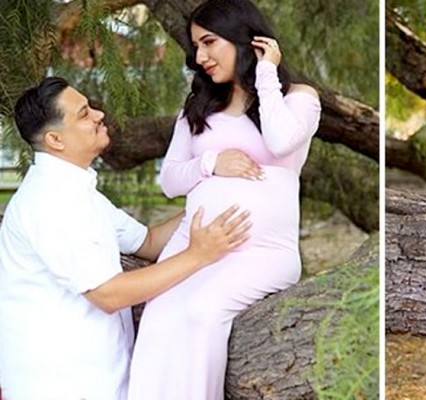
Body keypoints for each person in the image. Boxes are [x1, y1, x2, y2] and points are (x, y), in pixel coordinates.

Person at [0, 77, 251, 400]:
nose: (99, 114)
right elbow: (109, 294)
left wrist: (212, 193)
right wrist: (197, 255)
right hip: (60, 386)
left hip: (99, 382)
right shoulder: (50, 203)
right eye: (83, 114)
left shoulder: (79, 193)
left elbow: (147, 241)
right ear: (55, 140)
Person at [127, 0, 321, 398]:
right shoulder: (199, 105)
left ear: (245, 38)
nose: (200, 58)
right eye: (196, 46)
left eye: (209, 42)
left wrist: (265, 71)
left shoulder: (297, 97)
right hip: (193, 245)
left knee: (202, 312)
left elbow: (281, 141)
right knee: (159, 316)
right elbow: (169, 180)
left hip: (262, 252)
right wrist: (213, 162)